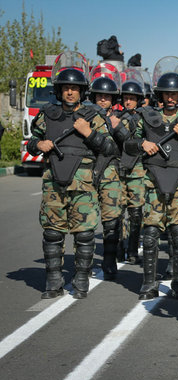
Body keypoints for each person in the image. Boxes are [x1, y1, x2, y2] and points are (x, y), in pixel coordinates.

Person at [27, 51, 117, 299]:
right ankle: (53, 281)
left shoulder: (93, 117)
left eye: (74, 88)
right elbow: (31, 142)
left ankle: (80, 280)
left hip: (84, 186)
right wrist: (38, 145)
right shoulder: (47, 115)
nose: (70, 92)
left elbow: (110, 149)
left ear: (82, 91)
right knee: (52, 233)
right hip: (54, 184)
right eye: (66, 88)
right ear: (59, 90)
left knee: (85, 235)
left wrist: (89, 133)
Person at [124, 56, 178, 301]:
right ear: (159, 94)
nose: (170, 97)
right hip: (152, 183)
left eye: (175, 94)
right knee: (151, 234)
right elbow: (127, 143)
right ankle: (148, 283)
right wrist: (142, 143)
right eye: (166, 93)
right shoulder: (146, 117)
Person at [89, 65, 125, 279]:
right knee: (86, 222)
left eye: (107, 97)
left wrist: (118, 126)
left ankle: (109, 261)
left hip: (112, 174)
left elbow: (130, 143)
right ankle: (84, 262)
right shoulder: (84, 116)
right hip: (87, 173)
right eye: (99, 96)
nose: (103, 100)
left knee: (112, 220)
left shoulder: (121, 118)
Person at [118, 69, 147, 265]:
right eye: (126, 98)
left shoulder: (144, 118)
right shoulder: (116, 116)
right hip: (118, 169)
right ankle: (120, 248)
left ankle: (132, 248)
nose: (128, 102)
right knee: (117, 212)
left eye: (132, 98)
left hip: (137, 169)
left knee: (136, 213)